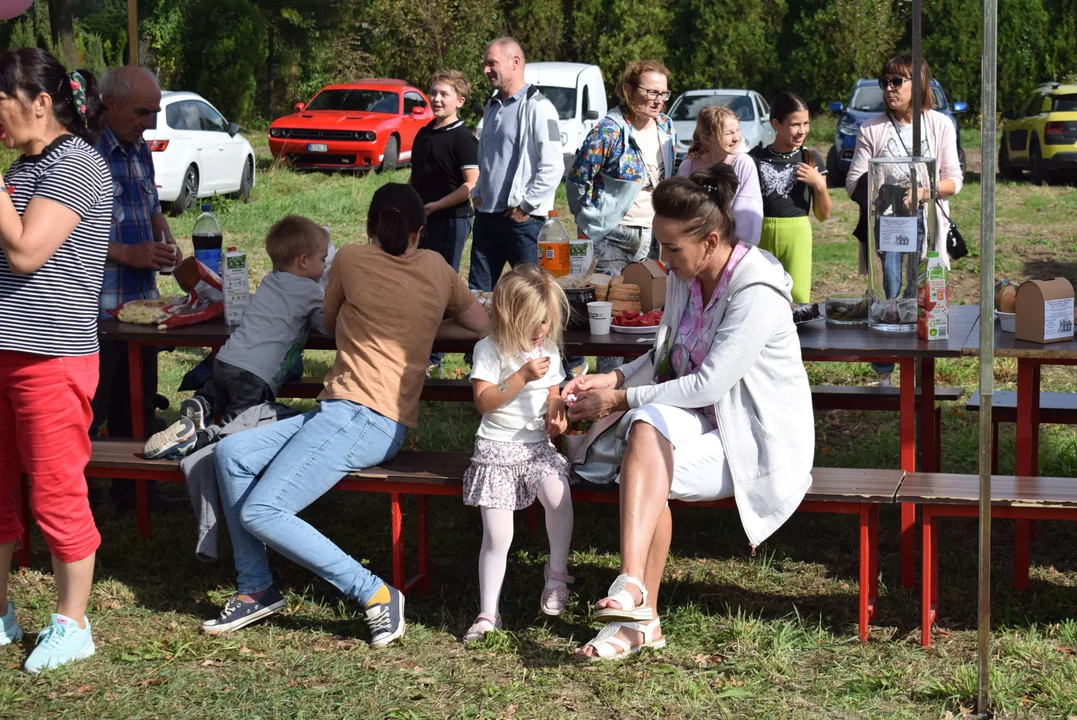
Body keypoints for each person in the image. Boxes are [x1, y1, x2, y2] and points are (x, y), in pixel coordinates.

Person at [204, 184, 488, 645]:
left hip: (364, 418)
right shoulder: (437, 267)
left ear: (369, 228)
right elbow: (480, 324)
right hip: (347, 413)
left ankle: (375, 594)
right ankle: (255, 587)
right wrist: (423, 325)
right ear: (420, 231)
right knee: (232, 453)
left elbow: (331, 323)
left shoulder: (350, 260)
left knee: (262, 509)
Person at [560, 165, 814, 659]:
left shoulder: (756, 291)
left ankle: (641, 617)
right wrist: (611, 378)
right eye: (661, 245)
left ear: (712, 240)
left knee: (646, 460)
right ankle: (635, 591)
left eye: (672, 248)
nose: (662, 258)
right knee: (645, 432)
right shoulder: (687, 273)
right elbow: (666, 355)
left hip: (754, 439)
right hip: (705, 420)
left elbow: (710, 383)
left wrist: (618, 398)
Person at [0, 48, 112, 673]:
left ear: (40, 102)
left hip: (49, 358)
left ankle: (73, 624)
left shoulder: (76, 163)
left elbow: (25, 253)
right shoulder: (25, 167)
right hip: (4, 351)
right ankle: (1, 614)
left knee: (55, 492)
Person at [142, 216, 329, 459]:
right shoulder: (310, 291)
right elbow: (329, 326)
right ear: (304, 261)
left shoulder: (270, 282)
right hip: (255, 375)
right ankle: (195, 440)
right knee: (239, 425)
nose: (325, 266)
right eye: (323, 260)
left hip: (227, 360)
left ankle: (202, 403)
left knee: (218, 391)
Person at [460, 265, 574, 644]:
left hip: (535, 447)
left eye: (546, 321)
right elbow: (485, 401)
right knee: (498, 534)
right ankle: (488, 612)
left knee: (559, 496)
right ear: (510, 317)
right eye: (532, 322)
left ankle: (557, 574)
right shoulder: (490, 349)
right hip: (496, 449)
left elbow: (554, 392)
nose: (540, 330)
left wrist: (557, 412)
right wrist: (521, 376)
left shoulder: (549, 350)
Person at [846, 55, 962, 385]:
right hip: (888, 225)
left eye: (898, 82)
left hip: (925, 226)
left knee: (922, 292)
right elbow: (854, 183)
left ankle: (922, 374)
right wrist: (888, 190)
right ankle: (884, 374)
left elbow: (954, 180)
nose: (889, 89)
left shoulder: (939, 124)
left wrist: (923, 192)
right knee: (890, 295)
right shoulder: (872, 128)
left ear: (919, 84)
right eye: (886, 82)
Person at [91, 66, 178, 446]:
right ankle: (84, 494)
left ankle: (133, 492)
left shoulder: (139, 148)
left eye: (154, 113)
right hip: (99, 309)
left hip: (143, 305)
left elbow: (151, 204)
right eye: (142, 112)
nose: (150, 122)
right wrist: (127, 253)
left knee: (138, 404)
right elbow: (65, 237)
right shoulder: (84, 152)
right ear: (111, 103)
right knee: (92, 407)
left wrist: (166, 239)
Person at [468, 37, 564, 293]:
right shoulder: (492, 106)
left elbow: (553, 166)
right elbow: (489, 159)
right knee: (477, 295)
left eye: (491, 63)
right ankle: (481, 335)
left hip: (523, 221)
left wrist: (526, 207)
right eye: (485, 64)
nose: (485, 70)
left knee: (534, 295)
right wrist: (478, 192)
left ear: (515, 62)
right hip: (487, 218)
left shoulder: (539, 107)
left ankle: (535, 336)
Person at [567, 59, 677, 276]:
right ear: (628, 90)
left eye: (663, 94)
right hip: (609, 234)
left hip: (652, 232)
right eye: (652, 92)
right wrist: (589, 217)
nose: (659, 101)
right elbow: (578, 179)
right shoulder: (607, 131)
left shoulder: (666, 126)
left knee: (644, 302)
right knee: (606, 298)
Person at [409, 69, 479, 375]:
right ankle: (419, 349)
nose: (436, 99)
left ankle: (436, 358)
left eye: (444, 94)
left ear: (460, 101)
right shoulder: (424, 133)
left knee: (442, 287)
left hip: (452, 220)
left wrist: (437, 206)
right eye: (433, 93)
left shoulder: (464, 139)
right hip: (421, 220)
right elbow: (415, 177)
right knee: (417, 284)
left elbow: (471, 185)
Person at [749, 92, 831, 304]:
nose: (802, 130)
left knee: (798, 298)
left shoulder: (811, 159)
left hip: (798, 233)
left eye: (806, 123)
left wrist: (819, 185)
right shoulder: (754, 158)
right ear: (776, 124)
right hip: (762, 232)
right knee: (762, 295)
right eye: (795, 124)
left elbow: (824, 215)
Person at [677, 105, 763, 246]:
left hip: (729, 249)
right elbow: (679, 212)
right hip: (694, 247)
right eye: (728, 133)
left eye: (737, 130)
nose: (736, 138)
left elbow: (747, 214)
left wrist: (738, 249)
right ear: (706, 139)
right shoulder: (687, 167)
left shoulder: (742, 164)